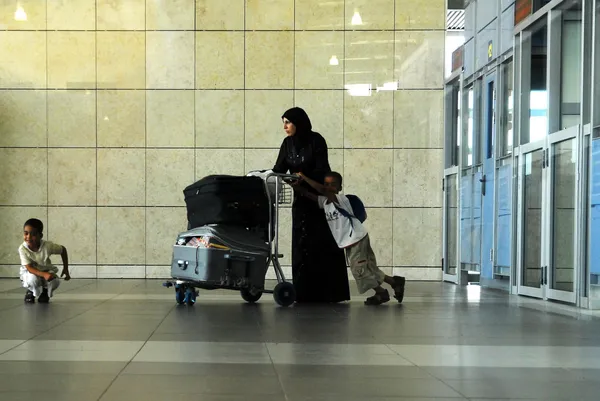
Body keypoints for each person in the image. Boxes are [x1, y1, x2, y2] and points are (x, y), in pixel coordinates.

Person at [273, 107, 350, 303]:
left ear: (299, 123)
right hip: (301, 200)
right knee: (302, 244)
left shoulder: (316, 140)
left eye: (288, 122)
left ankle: (328, 293)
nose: (285, 127)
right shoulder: (287, 144)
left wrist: (304, 180)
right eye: (283, 122)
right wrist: (284, 179)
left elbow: (323, 170)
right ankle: (304, 292)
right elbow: (279, 168)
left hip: (319, 201)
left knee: (322, 245)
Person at [296, 171, 406, 305]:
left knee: (358, 270)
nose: (329, 187)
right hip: (355, 239)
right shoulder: (326, 202)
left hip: (356, 239)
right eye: (327, 184)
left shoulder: (341, 199)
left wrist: (304, 176)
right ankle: (395, 282)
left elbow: (322, 190)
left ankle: (381, 293)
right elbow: (310, 195)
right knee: (369, 268)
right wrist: (296, 187)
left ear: (340, 188)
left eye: (333, 185)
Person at [18, 218, 71, 303]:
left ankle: (45, 292)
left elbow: (63, 250)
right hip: (30, 273)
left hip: (45, 271)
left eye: (33, 234)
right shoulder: (23, 249)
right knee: (32, 279)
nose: (28, 237)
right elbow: (29, 268)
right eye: (26, 233)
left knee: (55, 281)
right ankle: (30, 291)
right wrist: (43, 274)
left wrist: (66, 268)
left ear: (40, 236)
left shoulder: (47, 246)